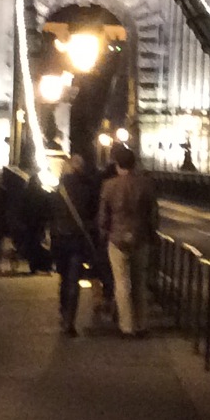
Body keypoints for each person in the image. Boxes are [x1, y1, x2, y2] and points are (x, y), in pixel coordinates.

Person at [97, 141, 159, 337]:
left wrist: (104, 233)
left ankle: (127, 326)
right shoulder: (146, 185)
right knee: (140, 282)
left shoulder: (109, 186)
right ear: (134, 164)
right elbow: (153, 214)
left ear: (117, 165)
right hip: (140, 237)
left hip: (116, 239)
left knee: (121, 283)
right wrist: (152, 233)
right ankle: (142, 324)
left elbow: (103, 216)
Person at [49, 153, 101, 335]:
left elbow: (50, 212)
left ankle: (63, 312)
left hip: (60, 239)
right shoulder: (88, 188)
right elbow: (94, 214)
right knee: (74, 280)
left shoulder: (59, 188)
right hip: (78, 239)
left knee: (63, 278)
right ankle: (69, 320)